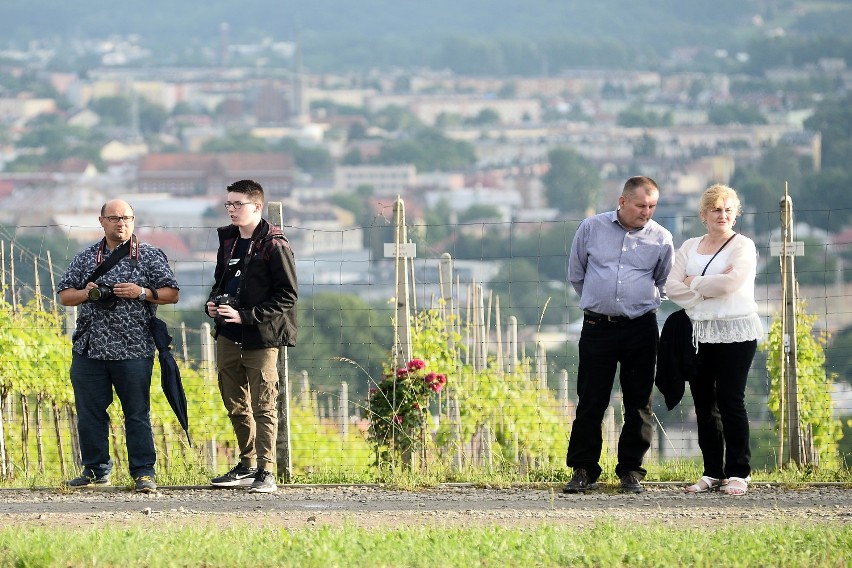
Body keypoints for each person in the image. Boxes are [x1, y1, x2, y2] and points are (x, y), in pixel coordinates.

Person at [57, 200, 180, 493]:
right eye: (113, 218)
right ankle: (95, 471)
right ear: (102, 221)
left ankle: (143, 473)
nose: (120, 223)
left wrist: (142, 293)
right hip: (90, 348)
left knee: (137, 413)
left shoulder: (148, 256)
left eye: (125, 218)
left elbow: (172, 293)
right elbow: (64, 296)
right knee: (89, 413)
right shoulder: (86, 257)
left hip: (134, 347)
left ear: (134, 220)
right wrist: (86, 294)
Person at [564, 176, 674, 494]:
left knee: (639, 401)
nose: (647, 212)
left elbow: (663, 281)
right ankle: (584, 470)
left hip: (641, 326)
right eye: (641, 205)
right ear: (623, 201)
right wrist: (600, 302)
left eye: (652, 206)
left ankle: (630, 471)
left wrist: (634, 303)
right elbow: (577, 273)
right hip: (597, 326)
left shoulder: (662, 238)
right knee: (591, 399)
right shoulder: (591, 228)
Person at [665, 184, 762, 496]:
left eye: (728, 209)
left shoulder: (743, 246)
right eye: (716, 209)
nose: (723, 215)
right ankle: (713, 472)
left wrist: (693, 283)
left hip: (736, 330)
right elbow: (670, 287)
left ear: (735, 214)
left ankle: (738, 472)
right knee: (705, 403)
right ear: (703, 214)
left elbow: (733, 284)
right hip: (698, 332)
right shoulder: (689, 246)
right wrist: (707, 285)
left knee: (731, 401)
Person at [206, 179, 298, 494]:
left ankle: (266, 470)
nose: (231, 210)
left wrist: (247, 316)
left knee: (264, 404)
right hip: (227, 335)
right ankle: (247, 465)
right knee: (235, 403)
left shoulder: (275, 244)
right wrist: (213, 304)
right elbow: (221, 281)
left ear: (256, 206)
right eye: (228, 204)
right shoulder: (229, 241)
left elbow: (288, 295)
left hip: (261, 337)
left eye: (238, 204)